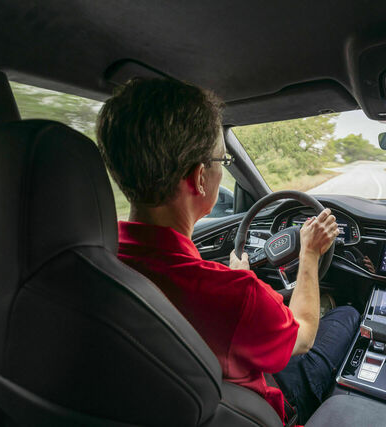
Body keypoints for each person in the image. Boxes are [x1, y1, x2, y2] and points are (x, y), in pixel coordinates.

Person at [96, 78, 360, 425]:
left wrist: (239, 280)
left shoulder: (96, 259)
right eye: (222, 158)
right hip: (252, 408)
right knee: (347, 315)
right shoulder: (236, 295)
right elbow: (305, 333)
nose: (224, 168)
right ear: (200, 177)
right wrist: (310, 254)